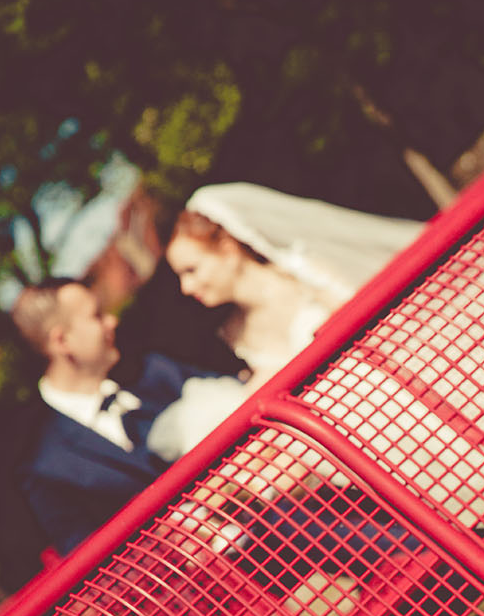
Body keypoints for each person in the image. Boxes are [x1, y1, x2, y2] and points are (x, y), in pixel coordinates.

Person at [146, 183, 425, 461]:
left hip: (403, 396)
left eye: (192, 270)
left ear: (228, 249)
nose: (186, 286)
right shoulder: (234, 334)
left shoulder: (304, 273)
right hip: (358, 440)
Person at [11, 279, 224, 555]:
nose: (111, 321)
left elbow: (237, 398)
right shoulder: (43, 466)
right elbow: (90, 563)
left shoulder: (154, 370)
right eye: (96, 316)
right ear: (62, 341)